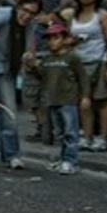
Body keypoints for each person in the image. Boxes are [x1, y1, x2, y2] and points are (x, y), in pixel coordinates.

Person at [0, 0, 41, 170]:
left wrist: (29, 57)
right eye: (24, 10)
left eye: (31, 13)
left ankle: (12, 154)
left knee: (10, 114)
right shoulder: (3, 15)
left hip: (7, 69)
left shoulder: (31, 26)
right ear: (18, 7)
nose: (26, 16)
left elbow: (29, 48)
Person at [26, 21, 90, 174]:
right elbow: (42, 76)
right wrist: (32, 66)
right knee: (59, 133)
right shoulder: (47, 60)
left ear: (65, 39)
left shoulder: (72, 58)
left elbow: (83, 78)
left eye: (56, 38)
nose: (52, 42)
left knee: (70, 132)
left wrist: (85, 97)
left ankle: (70, 160)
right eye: (49, 38)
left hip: (68, 100)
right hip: (52, 100)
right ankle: (62, 159)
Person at [69, 0, 107, 151]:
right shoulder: (73, 15)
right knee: (84, 102)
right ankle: (86, 137)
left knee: (102, 101)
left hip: (100, 61)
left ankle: (103, 138)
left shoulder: (102, 15)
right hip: (80, 63)